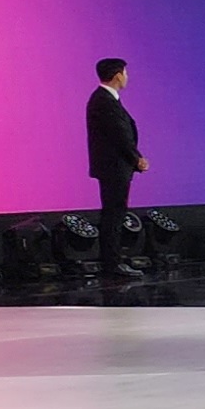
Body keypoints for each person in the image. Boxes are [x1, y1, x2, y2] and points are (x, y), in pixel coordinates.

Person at [85, 55, 144, 286]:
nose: (127, 77)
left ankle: (114, 259)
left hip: (116, 167)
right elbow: (120, 134)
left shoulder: (108, 100)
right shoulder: (104, 101)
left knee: (115, 213)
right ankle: (112, 262)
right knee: (114, 214)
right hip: (113, 167)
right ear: (118, 75)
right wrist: (136, 158)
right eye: (125, 73)